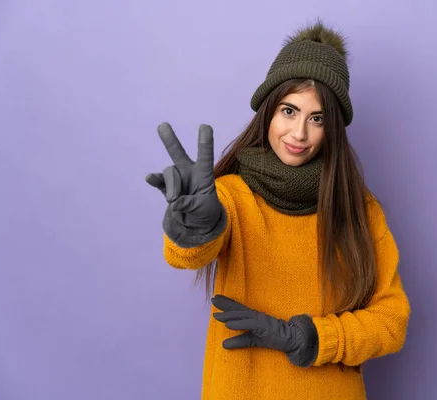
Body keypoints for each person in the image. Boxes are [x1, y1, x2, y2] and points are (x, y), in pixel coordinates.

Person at [146, 19, 410, 400]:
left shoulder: (359, 210)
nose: (299, 133)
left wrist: (309, 338)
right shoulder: (230, 196)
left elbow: (392, 320)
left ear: (332, 128)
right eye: (289, 111)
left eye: (316, 118)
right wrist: (193, 227)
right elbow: (186, 257)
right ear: (268, 111)